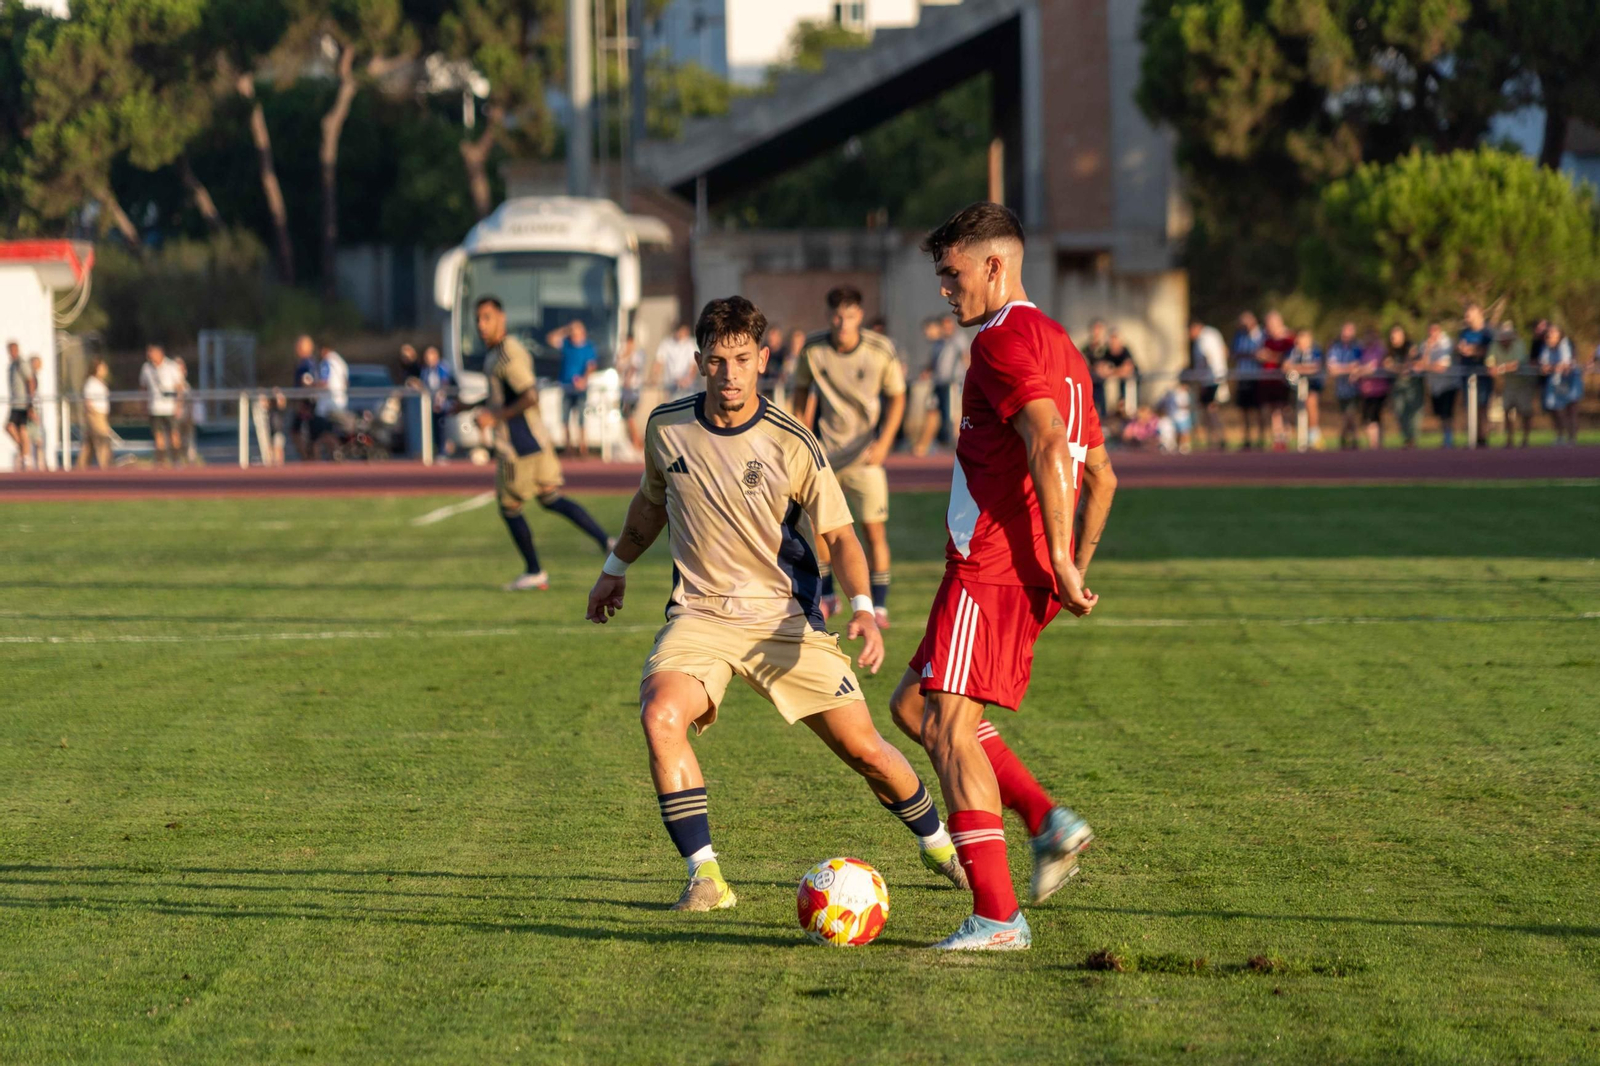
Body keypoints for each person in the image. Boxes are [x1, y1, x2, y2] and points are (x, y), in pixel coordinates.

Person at [584, 295, 966, 912]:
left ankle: (942, 847)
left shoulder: (793, 442)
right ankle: (706, 876)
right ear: (700, 362)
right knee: (660, 716)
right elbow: (650, 505)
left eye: (741, 358)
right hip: (700, 616)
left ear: (763, 359)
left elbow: (840, 535)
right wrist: (614, 568)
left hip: (784, 622)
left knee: (866, 751)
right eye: (716, 360)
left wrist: (864, 607)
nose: (729, 374)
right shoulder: (667, 426)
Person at [888, 201, 1117, 951]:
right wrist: (1070, 564)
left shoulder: (1000, 342)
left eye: (953, 275)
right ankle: (1048, 821)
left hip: (992, 567)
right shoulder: (1061, 344)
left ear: (996, 265)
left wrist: (1055, 556)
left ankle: (996, 917)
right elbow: (1104, 476)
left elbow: (1049, 441)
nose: (945, 291)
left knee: (949, 728)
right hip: (1015, 571)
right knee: (916, 708)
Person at [474, 297, 612, 590]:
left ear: (502, 317)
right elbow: (505, 395)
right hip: (536, 440)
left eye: (486, 318)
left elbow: (529, 395)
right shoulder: (497, 353)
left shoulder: (507, 355)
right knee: (551, 498)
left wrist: (494, 416)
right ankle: (607, 542)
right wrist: (467, 404)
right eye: (477, 319)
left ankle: (534, 570)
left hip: (518, 446)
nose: (480, 325)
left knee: (509, 507)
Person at [790, 286, 906, 629]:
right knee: (820, 529)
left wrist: (884, 442)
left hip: (865, 458)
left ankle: (879, 606)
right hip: (825, 454)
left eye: (851, 315)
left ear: (859, 315)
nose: (843, 323)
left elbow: (897, 397)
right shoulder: (813, 349)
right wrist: (802, 437)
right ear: (829, 316)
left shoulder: (880, 350)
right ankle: (827, 597)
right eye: (837, 316)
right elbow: (799, 394)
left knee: (873, 531)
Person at [916, 314, 967, 455]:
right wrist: (927, 371)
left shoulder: (958, 340)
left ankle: (958, 444)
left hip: (954, 384)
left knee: (954, 414)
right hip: (939, 383)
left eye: (949, 325)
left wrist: (970, 375)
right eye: (944, 326)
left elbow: (965, 357)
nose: (947, 328)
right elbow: (934, 363)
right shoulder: (939, 343)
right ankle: (926, 444)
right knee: (933, 411)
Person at [547, 320, 597, 456]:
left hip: (580, 388)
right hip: (566, 386)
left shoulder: (588, 347)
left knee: (581, 417)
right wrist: (565, 330)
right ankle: (568, 447)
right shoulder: (566, 344)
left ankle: (582, 447)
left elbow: (591, 366)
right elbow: (550, 339)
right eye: (573, 332)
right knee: (565, 418)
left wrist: (583, 380)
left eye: (576, 331)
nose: (574, 334)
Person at [1456, 303, 1495, 447]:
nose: (1467, 318)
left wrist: (1474, 351)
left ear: (1479, 314)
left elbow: (1491, 351)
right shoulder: (1464, 333)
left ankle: (1483, 438)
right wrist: (1462, 349)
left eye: (1469, 314)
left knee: (1483, 406)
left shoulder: (1487, 333)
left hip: (1483, 376)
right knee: (1470, 407)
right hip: (1467, 375)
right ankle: (1473, 437)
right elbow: (1460, 348)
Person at [1494, 323, 1537, 449]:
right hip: (1509, 384)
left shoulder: (1519, 345)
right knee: (1507, 409)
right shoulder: (1495, 345)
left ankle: (1525, 439)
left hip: (1524, 383)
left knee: (1525, 412)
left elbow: (1516, 365)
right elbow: (1490, 364)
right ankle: (1509, 439)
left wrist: (1500, 368)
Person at [139, 344, 183, 467]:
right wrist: (143, 405)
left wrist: (178, 405)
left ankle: (176, 460)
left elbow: (179, 387)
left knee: (174, 434)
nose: (150, 356)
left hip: (169, 407)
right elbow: (143, 388)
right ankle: (161, 461)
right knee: (158, 436)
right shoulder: (146, 368)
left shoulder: (171, 366)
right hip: (154, 407)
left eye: (152, 352)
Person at [1188, 319, 1228, 450]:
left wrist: (1203, 379)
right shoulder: (1213, 333)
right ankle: (1217, 438)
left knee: (1210, 410)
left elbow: (1206, 358)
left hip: (1210, 379)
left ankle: (1216, 439)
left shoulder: (1204, 338)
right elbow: (1224, 351)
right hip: (1217, 376)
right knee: (1212, 409)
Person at [1257, 311, 1294, 451]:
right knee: (1273, 410)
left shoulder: (1288, 339)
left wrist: (1271, 356)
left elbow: (1288, 360)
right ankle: (1277, 438)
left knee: (1284, 408)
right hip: (1268, 379)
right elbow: (1260, 355)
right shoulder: (1266, 340)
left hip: (1282, 380)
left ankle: (1286, 436)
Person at [1356, 329, 1399, 450]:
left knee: (1375, 416)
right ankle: (1373, 443)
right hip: (1366, 390)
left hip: (1379, 389)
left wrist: (1360, 371)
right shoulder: (1362, 350)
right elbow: (1356, 365)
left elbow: (1373, 366)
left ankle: (1376, 444)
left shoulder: (1380, 350)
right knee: (1367, 418)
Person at [1324, 322, 1363, 450]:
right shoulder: (1335, 348)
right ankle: (1349, 438)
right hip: (1341, 389)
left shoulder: (1358, 347)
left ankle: (1350, 438)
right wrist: (1349, 368)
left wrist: (1345, 369)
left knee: (1350, 414)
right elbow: (1332, 369)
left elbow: (1359, 366)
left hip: (1355, 388)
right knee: (1345, 415)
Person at [1540, 324, 1582, 445]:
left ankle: (1572, 437)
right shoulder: (1546, 347)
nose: (1550, 335)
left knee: (1571, 408)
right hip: (1555, 381)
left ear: (1559, 335)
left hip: (1570, 381)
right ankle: (1560, 435)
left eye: (1553, 333)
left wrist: (1554, 367)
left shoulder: (1566, 345)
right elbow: (1544, 365)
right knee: (1556, 409)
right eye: (1549, 333)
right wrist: (1549, 367)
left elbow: (1565, 365)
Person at [1231, 312, 1265, 449]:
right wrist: (1250, 355)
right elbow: (1233, 353)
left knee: (1259, 408)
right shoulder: (1239, 336)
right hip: (1243, 375)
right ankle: (1247, 438)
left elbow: (1263, 355)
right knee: (1244, 409)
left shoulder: (1261, 335)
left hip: (1257, 376)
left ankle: (1261, 438)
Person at [1422, 321, 1458, 448]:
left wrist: (1427, 366)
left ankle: (1449, 439)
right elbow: (1422, 364)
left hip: (1448, 384)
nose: (1433, 334)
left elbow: (1442, 367)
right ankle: (1445, 438)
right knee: (1440, 414)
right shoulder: (1426, 345)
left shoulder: (1446, 343)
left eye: (1435, 330)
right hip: (1435, 386)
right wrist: (1428, 350)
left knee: (1447, 413)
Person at [1286, 328, 1323, 449]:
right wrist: (1300, 368)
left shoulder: (1315, 352)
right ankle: (1292, 437)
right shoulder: (1293, 352)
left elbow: (1315, 367)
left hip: (1311, 385)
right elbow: (1285, 366)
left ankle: (1314, 436)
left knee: (1311, 402)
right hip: (1295, 387)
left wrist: (1297, 368)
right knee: (1292, 410)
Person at [312, 343, 350, 460]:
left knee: (318, 435)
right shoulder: (341, 362)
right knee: (331, 432)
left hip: (327, 406)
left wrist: (311, 385)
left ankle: (319, 461)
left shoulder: (327, 362)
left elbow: (324, 382)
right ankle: (336, 455)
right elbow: (347, 382)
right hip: (340, 403)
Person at [418, 344, 456, 458]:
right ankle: (433, 451)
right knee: (431, 429)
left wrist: (439, 402)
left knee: (442, 428)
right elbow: (424, 385)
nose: (427, 359)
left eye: (429, 356)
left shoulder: (442, 368)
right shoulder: (425, 370)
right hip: (429, 405)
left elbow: (444, 385)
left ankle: (443, 452)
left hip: (442, 405)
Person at [79, 358, 113, 469]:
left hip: (102, 413)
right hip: (95, 414)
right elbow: (88, 401)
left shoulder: (100, 382)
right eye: (102, 367)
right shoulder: (91, 382)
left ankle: (81, 466)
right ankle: (105, 465)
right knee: (103, 438)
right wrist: (94, 415)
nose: (105, 370)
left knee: (89, 443)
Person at [616, 331, 645, 452]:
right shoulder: (622, 354)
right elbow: (618, 366)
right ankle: (634, 442)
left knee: (630, 416)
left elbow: (633, 368)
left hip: (633, 390)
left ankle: (637, 443)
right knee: (627, 417)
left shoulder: (638, 353)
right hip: (624, 391)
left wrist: (628, 379)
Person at [5, 341, 32, 471]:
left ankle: (25, 455)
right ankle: (23, 451)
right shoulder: (12, 365)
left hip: (23, 402)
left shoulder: (21, 364)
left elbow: (30, 380)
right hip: (15, 403)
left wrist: (30, 401)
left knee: (21, 429)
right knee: (13, 428)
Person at [291, 334, 319, 460]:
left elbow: (307, 382)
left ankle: (308, 458)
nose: (297, 348)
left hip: (306, 404)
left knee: (300, 432)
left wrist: (303, 402)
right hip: (306, 403)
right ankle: (308, 458)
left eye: (299, 346)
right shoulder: (305, 363)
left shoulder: (307, 364)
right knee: (306, 433)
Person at [655, 323, 699, 401]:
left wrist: (687, 380)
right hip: (670, 385)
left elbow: (693, 365)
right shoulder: (666, 344)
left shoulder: (690, 344)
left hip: (686, 387)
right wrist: (655, 378)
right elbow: (659, 362)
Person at [1082, 319, 1111, 419]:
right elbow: (1084, 363)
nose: (1097, 333)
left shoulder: (1107, 348)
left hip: (1102, 383)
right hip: (1090, 382)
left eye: (1099, 330)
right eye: (1095, 329)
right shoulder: (1086, 348)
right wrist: (1095, 368)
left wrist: (1106, 368)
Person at [758, 326, 787, 400]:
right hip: (764, 388)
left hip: (780, 391)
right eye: (770, 335)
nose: (771, 338)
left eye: (774, 336)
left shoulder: (784, 353)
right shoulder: (763, 352)